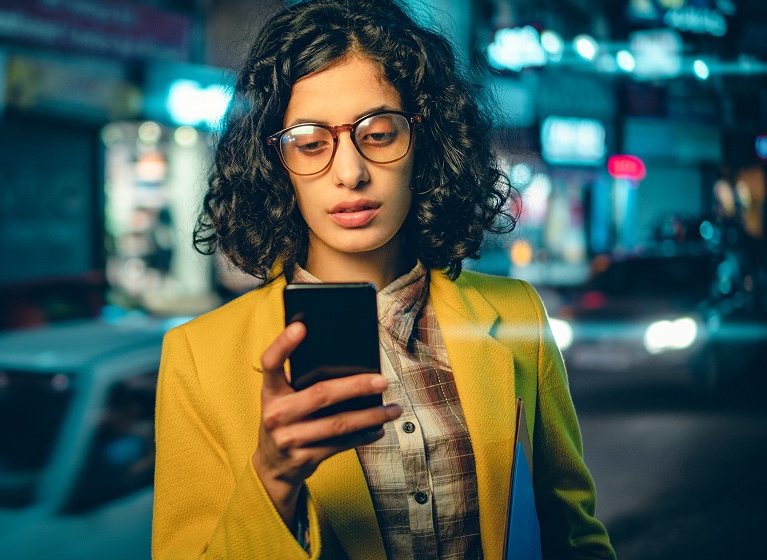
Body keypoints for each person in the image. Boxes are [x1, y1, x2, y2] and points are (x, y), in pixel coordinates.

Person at [152, 0, 615, 558]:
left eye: (378, 133)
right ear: (275, 160)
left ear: (424, 141)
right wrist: (273, 481)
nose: (349, 173)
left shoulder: (516, 315)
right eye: (309, 141)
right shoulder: (198, 358)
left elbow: (571, 530)